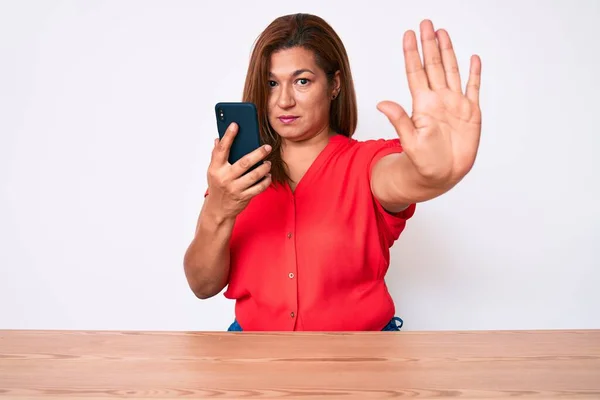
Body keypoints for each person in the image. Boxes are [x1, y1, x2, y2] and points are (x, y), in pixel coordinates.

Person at [183, 13, 482, 331]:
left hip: (359, 362)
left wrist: (431, 174)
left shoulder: (368, 162)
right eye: (272, 83)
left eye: (302, 81)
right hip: (254, 359)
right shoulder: (235, 177)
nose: (284, 100)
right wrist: (219, 209)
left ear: (334, 85)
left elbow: (402, 177)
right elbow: (202, 286)